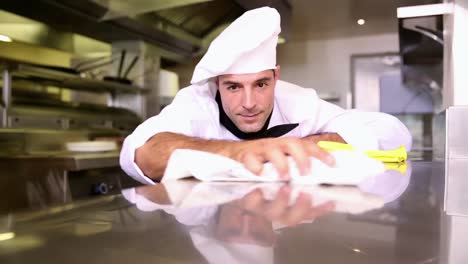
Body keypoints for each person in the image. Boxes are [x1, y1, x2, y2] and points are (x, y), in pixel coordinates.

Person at [120, 7, 412, 184]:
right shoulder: (196, 103)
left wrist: (314, 144)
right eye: (233, 87)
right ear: (217, 83)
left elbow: (394, 132)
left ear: (276, 76)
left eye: (261, 84)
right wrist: (238, 152)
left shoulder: (298, 102)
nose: (248, 103)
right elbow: (141, 155)